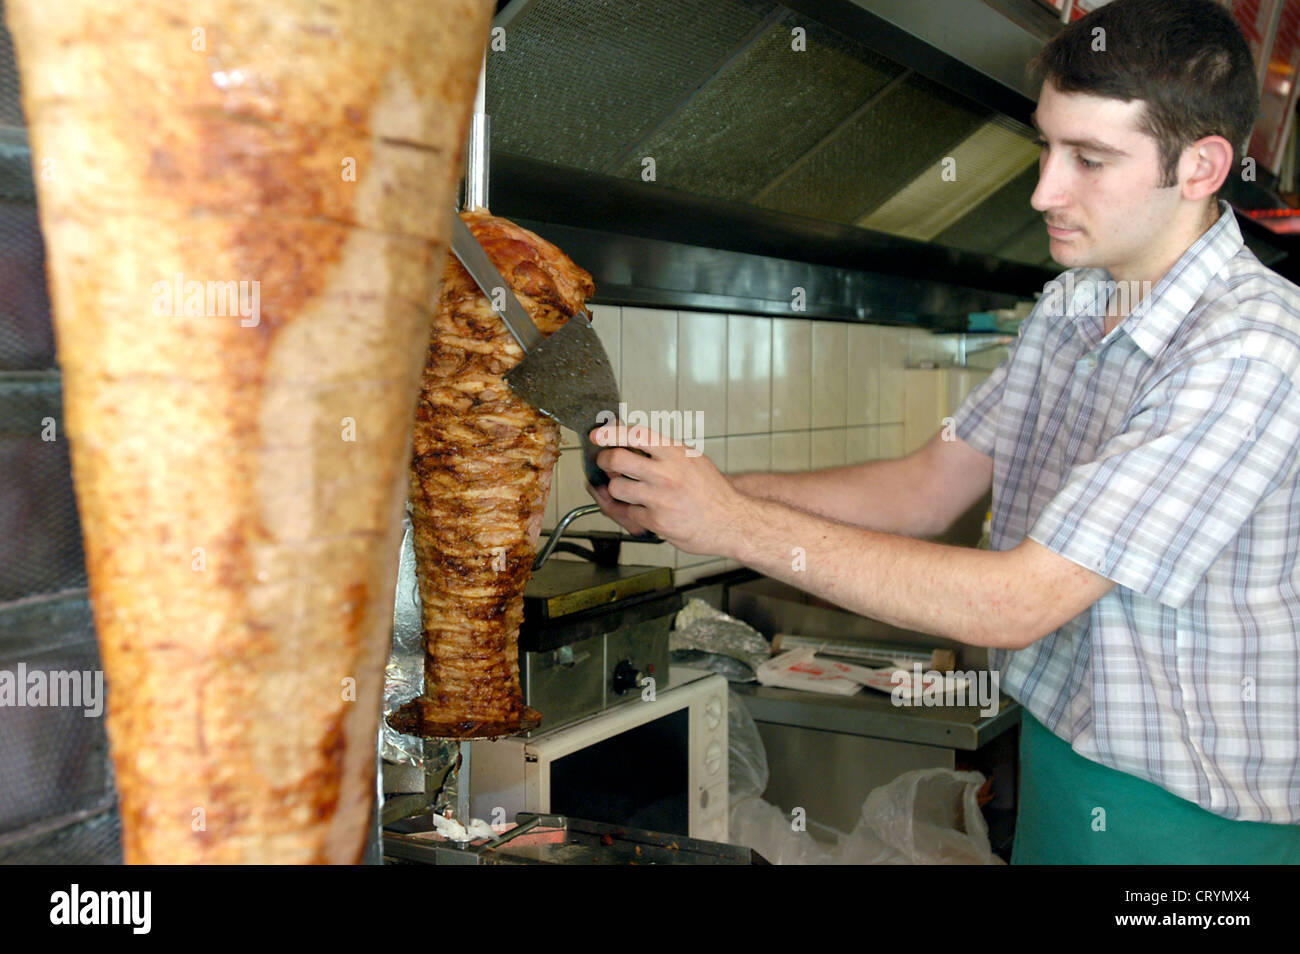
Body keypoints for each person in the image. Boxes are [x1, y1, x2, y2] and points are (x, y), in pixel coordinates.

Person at [587, 0, 1300, 864]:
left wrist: (728, 525)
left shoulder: (1254, 345)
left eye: (1091, 159)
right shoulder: (1075, 305)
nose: (1044, 189)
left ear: (1201, 167)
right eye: (1047, 145)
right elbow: (926, 489)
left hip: (1198, 823)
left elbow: (1019, 601)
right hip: (1066, 769)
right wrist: (696, 491)